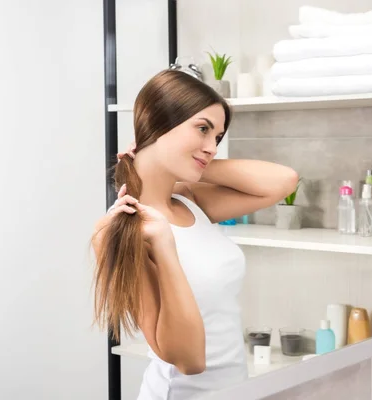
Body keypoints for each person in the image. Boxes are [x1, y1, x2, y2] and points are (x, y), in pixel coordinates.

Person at [91, 69, 298, 400]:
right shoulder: (126, 226)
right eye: (202, 129)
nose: (212, 147)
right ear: (159, 122)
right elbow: (189, 360)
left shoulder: (190, 200)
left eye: (216, 137)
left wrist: (183, 159)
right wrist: (163, 246)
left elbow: (284, 180)